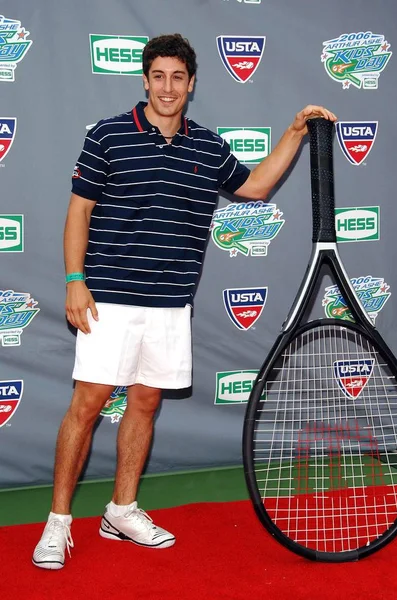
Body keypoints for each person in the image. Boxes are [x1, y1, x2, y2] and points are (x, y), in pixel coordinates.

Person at [32, 33, 336, 570]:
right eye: (159, 76)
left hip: (172, 303)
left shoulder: (208, 146)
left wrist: (293, 134)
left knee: (146, 403)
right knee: (88, 404)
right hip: (109, 299)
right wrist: (75, 279)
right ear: (145, 79)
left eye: (178, 77)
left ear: (191, 85)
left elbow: (255, 188)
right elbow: (79, 211)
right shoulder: (107, 136)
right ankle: (57, 524)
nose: (168, 87)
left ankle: (121, 510)